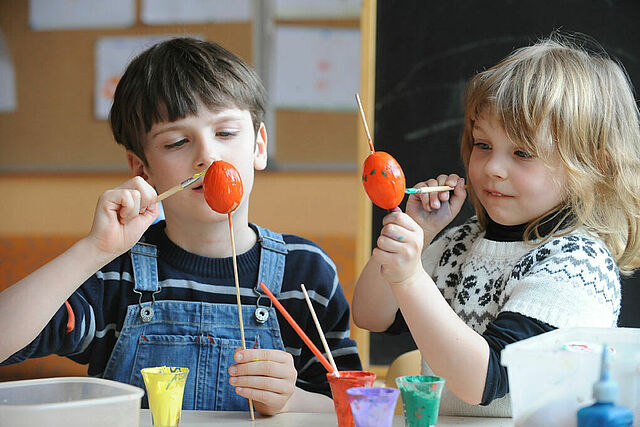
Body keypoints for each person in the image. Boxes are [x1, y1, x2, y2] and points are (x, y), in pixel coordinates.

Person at [0, 37, 361, 415]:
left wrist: (292, 400)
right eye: (177, 142)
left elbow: (352, 409)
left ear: (258, 146)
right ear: (142, 169)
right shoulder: (113, 274)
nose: (208, 155)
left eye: (225, 133)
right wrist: (93, 250)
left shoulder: (306, 272)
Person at [352, 34, 640, 417]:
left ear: (592, 166)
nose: (492, 168)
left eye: (522, 153)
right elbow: (371, 315)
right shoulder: (461, 243)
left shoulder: (578, 265)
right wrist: (418, 235)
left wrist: (409, 279)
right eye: (482, 145)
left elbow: (480, 382)